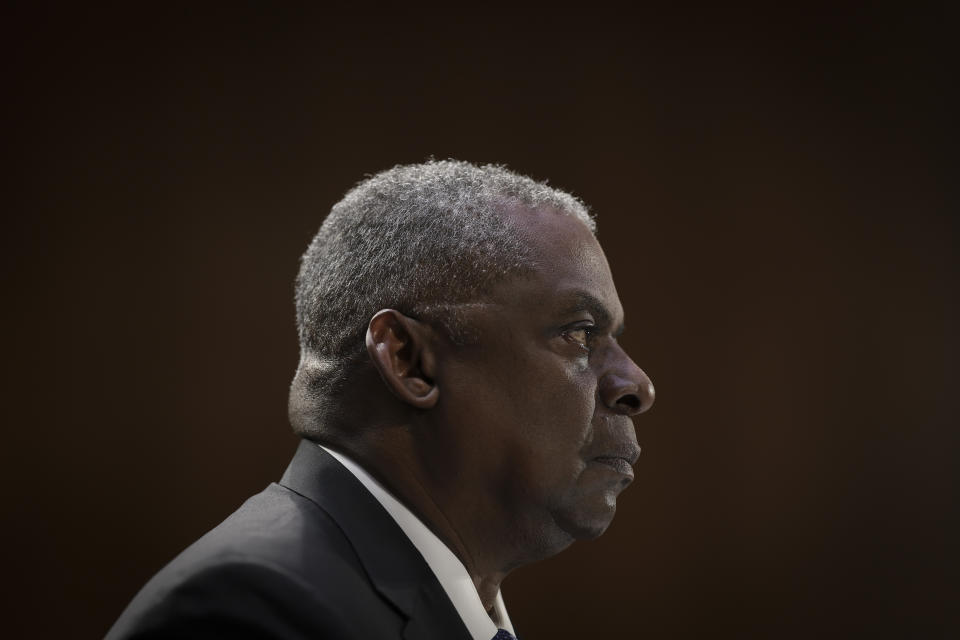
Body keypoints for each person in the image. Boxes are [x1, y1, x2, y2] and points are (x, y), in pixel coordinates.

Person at [107, 160, 655, 639]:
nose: (636, 386)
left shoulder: (426, 604)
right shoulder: (251, 612)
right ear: (409, 361)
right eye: (580, 333)